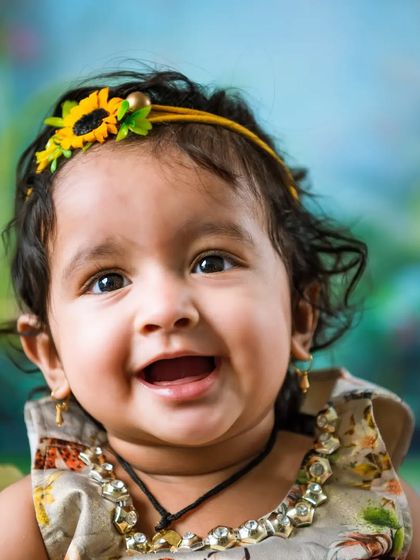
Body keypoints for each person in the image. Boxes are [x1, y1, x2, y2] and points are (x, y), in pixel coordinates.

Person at [0, 69, 418, 559]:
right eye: (108, 280)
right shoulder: (36, 526)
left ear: (301, 315)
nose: (166, 309)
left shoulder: (375, 505)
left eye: (211, 262)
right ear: (51, 355)